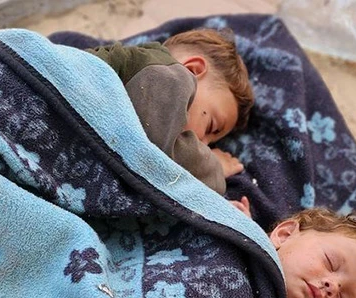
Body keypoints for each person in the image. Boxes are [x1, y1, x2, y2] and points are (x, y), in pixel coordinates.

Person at [88, 28, 252, 194]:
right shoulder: (168, 76)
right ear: (192, 70)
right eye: (211, 127)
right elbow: (157, 159)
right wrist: (214, 167)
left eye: (211, 144)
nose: (204, 145)